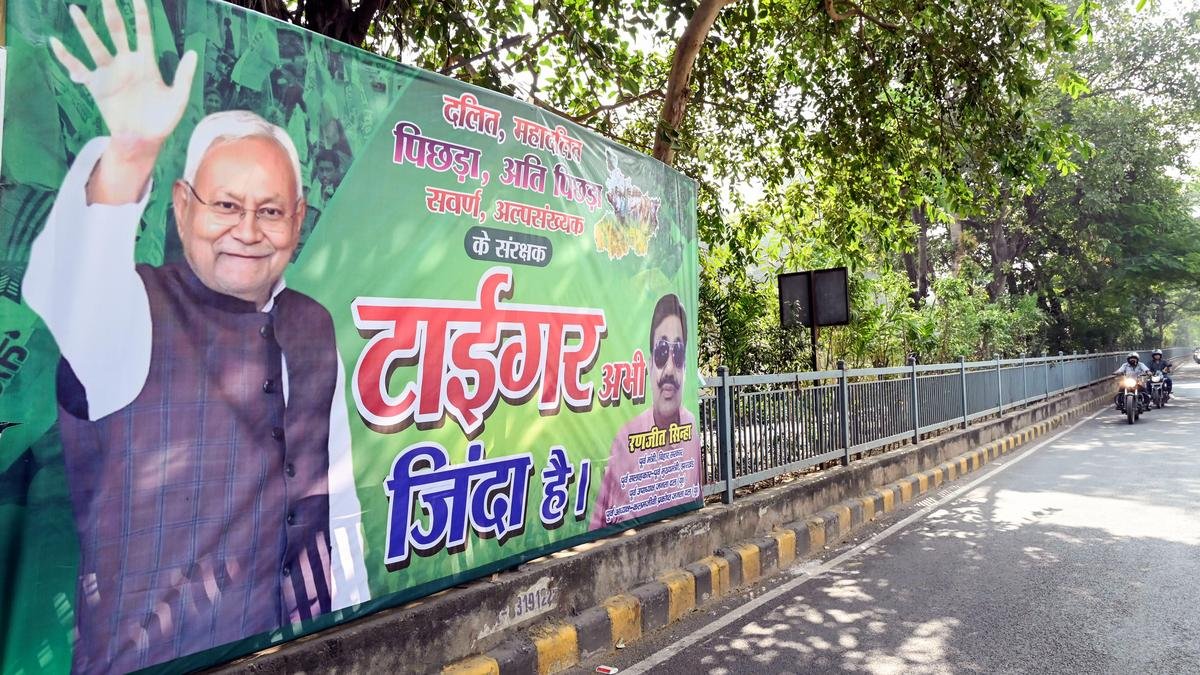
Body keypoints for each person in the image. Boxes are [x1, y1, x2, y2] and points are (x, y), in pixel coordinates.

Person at [24, 1, 368, 671]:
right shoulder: (133, 309)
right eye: (226, 206)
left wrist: (350, 623)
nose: (248, 230)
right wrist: (127, 159)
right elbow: (69, 292)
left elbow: (335, 496)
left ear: (298, 220)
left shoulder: (312, 322)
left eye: (270, 211)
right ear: (182, 207)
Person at [590, 294, 701, 530]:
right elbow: (598, 524)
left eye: (678, 354)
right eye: (661, 352)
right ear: (650, 365)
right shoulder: (626, 437)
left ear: (685, 367)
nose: (669, 369)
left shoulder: (691, 428)